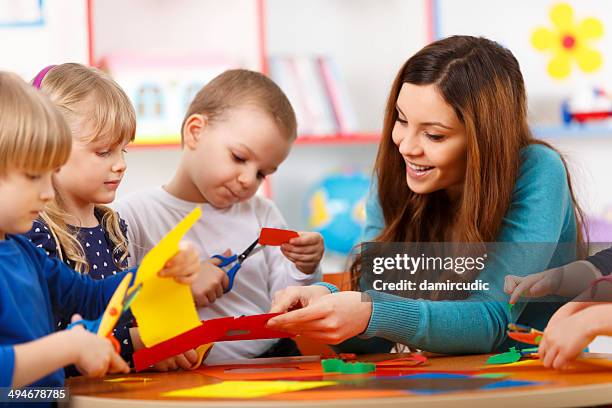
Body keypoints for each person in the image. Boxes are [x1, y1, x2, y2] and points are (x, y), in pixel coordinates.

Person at [267, 35, 585, 355]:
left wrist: (370, 311)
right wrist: (328, 301)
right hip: (442, 382)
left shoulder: (537, 171)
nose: (406, 146)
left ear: (485, 139)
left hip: (535, 382)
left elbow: (492, 321)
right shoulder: (397, 173)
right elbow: (378, 333)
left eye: (434, 135)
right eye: (401, 120)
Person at [0, 71, 198, 392]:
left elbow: (92, 297)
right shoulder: (30, 242)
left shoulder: (24, 255)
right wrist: (69, 347)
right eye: (33, 176)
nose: (47, 191)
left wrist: (156, 272)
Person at [114, 69, 324, 362]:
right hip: (179, 370)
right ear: (195, 132)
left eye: (262, 173)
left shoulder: (264, 213)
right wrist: (178, 290)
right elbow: (114, 312)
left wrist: (304, 267)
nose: (249, 180)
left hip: (273, 357)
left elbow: (287, 306)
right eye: (239, 157)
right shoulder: (131, 216)